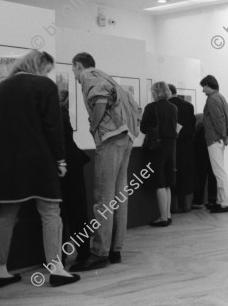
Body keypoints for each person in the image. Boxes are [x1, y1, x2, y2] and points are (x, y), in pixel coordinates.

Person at [0, 50, 80, 287]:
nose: (48, 73)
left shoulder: (1, 89)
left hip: (7, 163)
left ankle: (0, 271)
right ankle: (56, 269)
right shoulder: (44, 86)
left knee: (5, 217)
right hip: (40, 161)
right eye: (47, 69)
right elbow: (52, 125)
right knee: (50, 214)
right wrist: (60, 159)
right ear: (41, 66)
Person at [69, 52, 140, 272]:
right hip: (126, 138)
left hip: (110, 140)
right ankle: (115, 249)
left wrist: (94, 126)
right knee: (119, 197)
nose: (73, 74)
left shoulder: (89, 75)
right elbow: (137, 109)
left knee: (103, 198)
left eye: (73, 69)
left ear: (78, 65)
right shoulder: (108, 77)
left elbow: (100, 100)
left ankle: (99, 252)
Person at [58, 90, 91, 263]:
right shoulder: (62, 115)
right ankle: (83, 251)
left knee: (60, 214)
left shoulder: (55, 116)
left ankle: (60, 256)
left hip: (61, 166)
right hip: (70, 165)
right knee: (77, 211)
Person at [141, 82, 178, 226]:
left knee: (159, 181)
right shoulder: (173, 107)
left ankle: (162, 218)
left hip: (157, 146)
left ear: (155, 92)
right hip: (171, 145)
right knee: (168, 181)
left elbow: (144, 129)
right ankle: (167, 215)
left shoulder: (151, 107)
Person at [200, 75, 228, 213]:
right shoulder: (221, 97)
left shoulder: (212, 99)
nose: (203, 90)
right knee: (219, 171)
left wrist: (224, 135)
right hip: (219, 138)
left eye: (204, 87)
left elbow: (218, 120)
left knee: (219, 172)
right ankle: (220, 201)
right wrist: (227, 135)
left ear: (209, 85)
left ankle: (225, 203)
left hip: (214, 139)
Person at [168, 84, 196, 213]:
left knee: (172, 175)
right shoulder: (188, 106)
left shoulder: (166, 106)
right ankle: (186, 206)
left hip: (171, 145)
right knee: (187, 175)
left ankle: (173, 207)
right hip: (187, 145)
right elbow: (192, 127)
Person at [192, 114, 218, 208]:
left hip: (200, 147)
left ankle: (198, 201)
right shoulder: (211, 122)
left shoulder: (197, 121)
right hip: (212, 145)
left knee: (200, 174)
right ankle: (212, 200)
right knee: (212, 173)